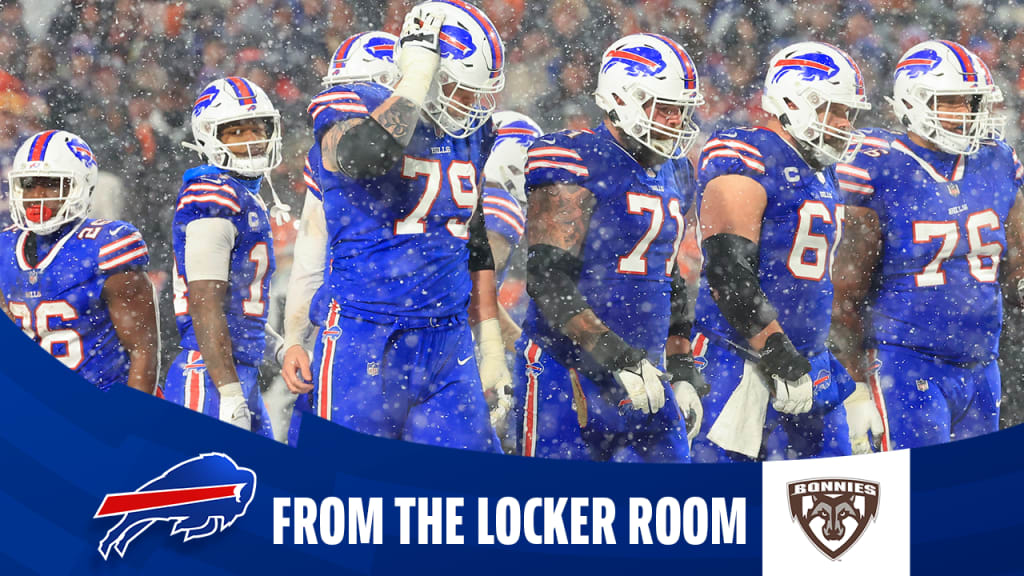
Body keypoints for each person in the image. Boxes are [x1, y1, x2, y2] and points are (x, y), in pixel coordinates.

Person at [306, 1, 511, 451]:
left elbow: (471, 233)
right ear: (431, 72)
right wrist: (415, 79)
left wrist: (490, 338)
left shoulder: (472, 130)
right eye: (460, 89)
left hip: (447, 335)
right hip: (368, 333)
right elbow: (364, 156)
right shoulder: (356, 102)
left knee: (473, 494)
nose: (472, 105)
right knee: (355, 493)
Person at [515, 33, 705, 462]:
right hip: (565, 369)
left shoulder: (676, 169)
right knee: (563, 521)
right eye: (666, 108)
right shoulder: (576, 156)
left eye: (682, 111)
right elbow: (548, 281)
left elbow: (668, 273)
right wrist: (615, 355)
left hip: (645, 373)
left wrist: (681, 369)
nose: (677, 122)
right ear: (624, 98)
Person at [831, 41, 1024, 451]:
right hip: (905, 363)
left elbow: (1019, 261)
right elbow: (845, 293)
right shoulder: (878, 165)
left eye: (971, 102)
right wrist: (853, 386)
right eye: (948, 101)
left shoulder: (998, 160)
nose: (964, 114)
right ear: (912, 101)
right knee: (917, 499)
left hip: (981, 363)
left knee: (976, 498)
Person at [690, 41, 869, 462]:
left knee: (829, 511)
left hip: (810, 365)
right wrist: (777, 353)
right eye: (834, 110)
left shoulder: (823, 171)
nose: (844, 123)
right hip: (739, 362)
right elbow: (727, 272)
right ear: (793, 101)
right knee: (727, 517)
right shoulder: (745, 153)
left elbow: (815, 287)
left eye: (849, 113)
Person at [280, 30, 400, 447]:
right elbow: (310, 258)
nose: (341, 106)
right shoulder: (331, 157)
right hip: (352, 330)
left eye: (355, 92)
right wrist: (295, 340)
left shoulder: (439, 152)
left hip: (399, 332)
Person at [163, 76, 289, 436]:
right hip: (212, 375)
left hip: (233, 370)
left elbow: (237, 310)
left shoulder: (242, 194)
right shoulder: (212, 194)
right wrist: (230, 393)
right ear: (209, 136)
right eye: (236, 132)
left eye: (257, 128)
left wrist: (277, 348)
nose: (252, 140)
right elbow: (204, 304)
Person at [0, 130, 158, 393]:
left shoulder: (108, 245)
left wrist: (132, 422)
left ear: (80, 186)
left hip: (99, 407)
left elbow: (142, 351)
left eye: (51, 184)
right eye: (29, 184)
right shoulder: (5, 247)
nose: (37, 195)